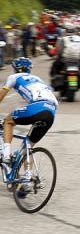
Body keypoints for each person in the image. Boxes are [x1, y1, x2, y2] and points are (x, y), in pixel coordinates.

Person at [0, 57, 58, 195]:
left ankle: (6, 155)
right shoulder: (38, 79)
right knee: (28, 145)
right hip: (51, 112)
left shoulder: (14, 76)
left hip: (37, 107)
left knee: (8, 121)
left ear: (14, 68)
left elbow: (1, 95)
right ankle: (26, 179)